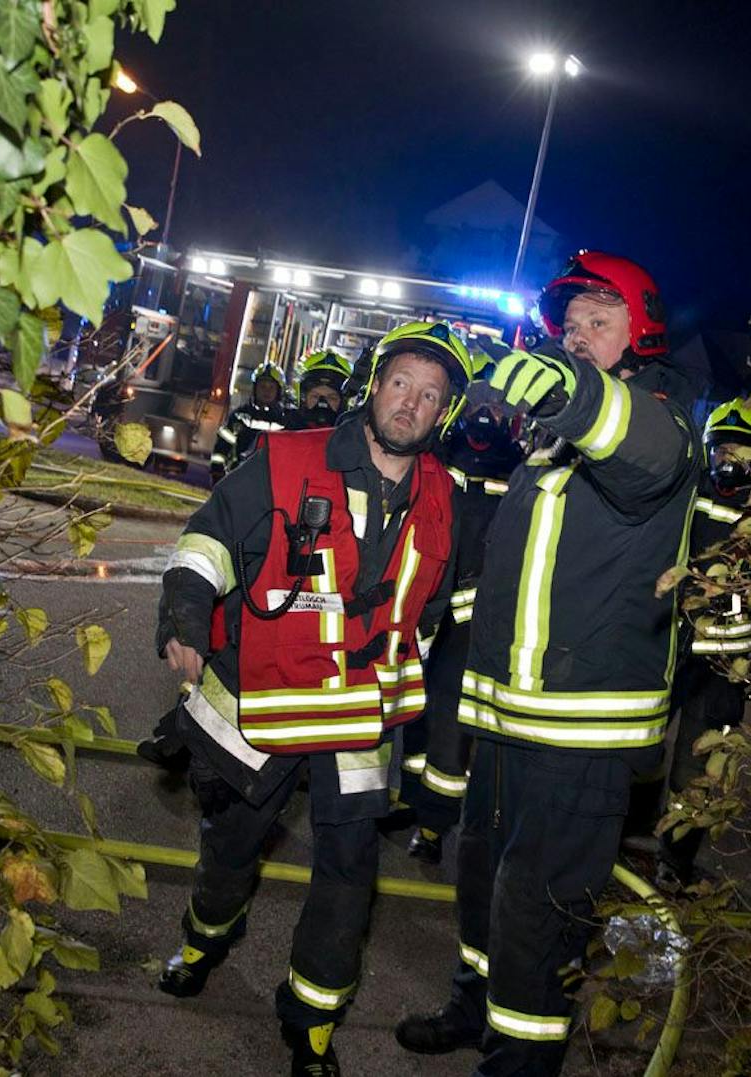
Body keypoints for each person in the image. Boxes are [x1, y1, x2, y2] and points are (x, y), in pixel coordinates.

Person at [396, 252, 701, 1076]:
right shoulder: (552, 445)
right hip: (506, 719)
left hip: (580, 732)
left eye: (599, 323)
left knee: (541, 912)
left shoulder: (661, 420)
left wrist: (574, 392)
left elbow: (633, 443)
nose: (577, 338)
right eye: (569, 327)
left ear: (642, 335)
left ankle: (520, 1061)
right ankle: (475, 1007)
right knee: (482, 884)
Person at [153, 321, 477, 1077]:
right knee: (230, 851)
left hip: (359, 724)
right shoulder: (284, 459)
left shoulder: (445, 501)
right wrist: (185, 618)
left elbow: (430, 614)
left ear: (443, 415)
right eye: (402, 383)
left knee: (348, 877)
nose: (412, 404)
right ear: (374, 386)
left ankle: (313, 1025)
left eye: (431, 396)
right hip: (263, 708)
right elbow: (206, 542)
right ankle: (202, 944)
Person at [400, 389, 524, 864]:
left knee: (451, 721)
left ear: (509, 418)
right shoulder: (436, 453)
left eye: (496, 410)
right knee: (411, 705)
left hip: (469, 621)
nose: (485, 417)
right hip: (420, 601)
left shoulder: (518, 471)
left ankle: (433, 826)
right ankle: (409, 800)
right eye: (478, 408)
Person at [656, 397, 751, 891]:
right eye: (721, 449)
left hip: (726, 669)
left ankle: (674, 861)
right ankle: (623, 834)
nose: (730, 462)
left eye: (741, 452)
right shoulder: (689, 493)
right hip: (671, 650)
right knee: (637, 746)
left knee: (696, 772)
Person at [211, 361, 290, 481]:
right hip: (238, 477)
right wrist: (217, 472)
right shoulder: (239, 416)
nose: (266, 391)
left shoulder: (285, 421)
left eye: (271, 387)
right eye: (262, 386)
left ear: (279, 391)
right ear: (255, 388)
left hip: (271, 481)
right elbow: (221, 447)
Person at [291, 349, 353, 429]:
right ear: (303, 398)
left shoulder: (354, 439)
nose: (322, 403)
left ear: (343, 402)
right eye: (315, 396)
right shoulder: (282, 437)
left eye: (332, 398)